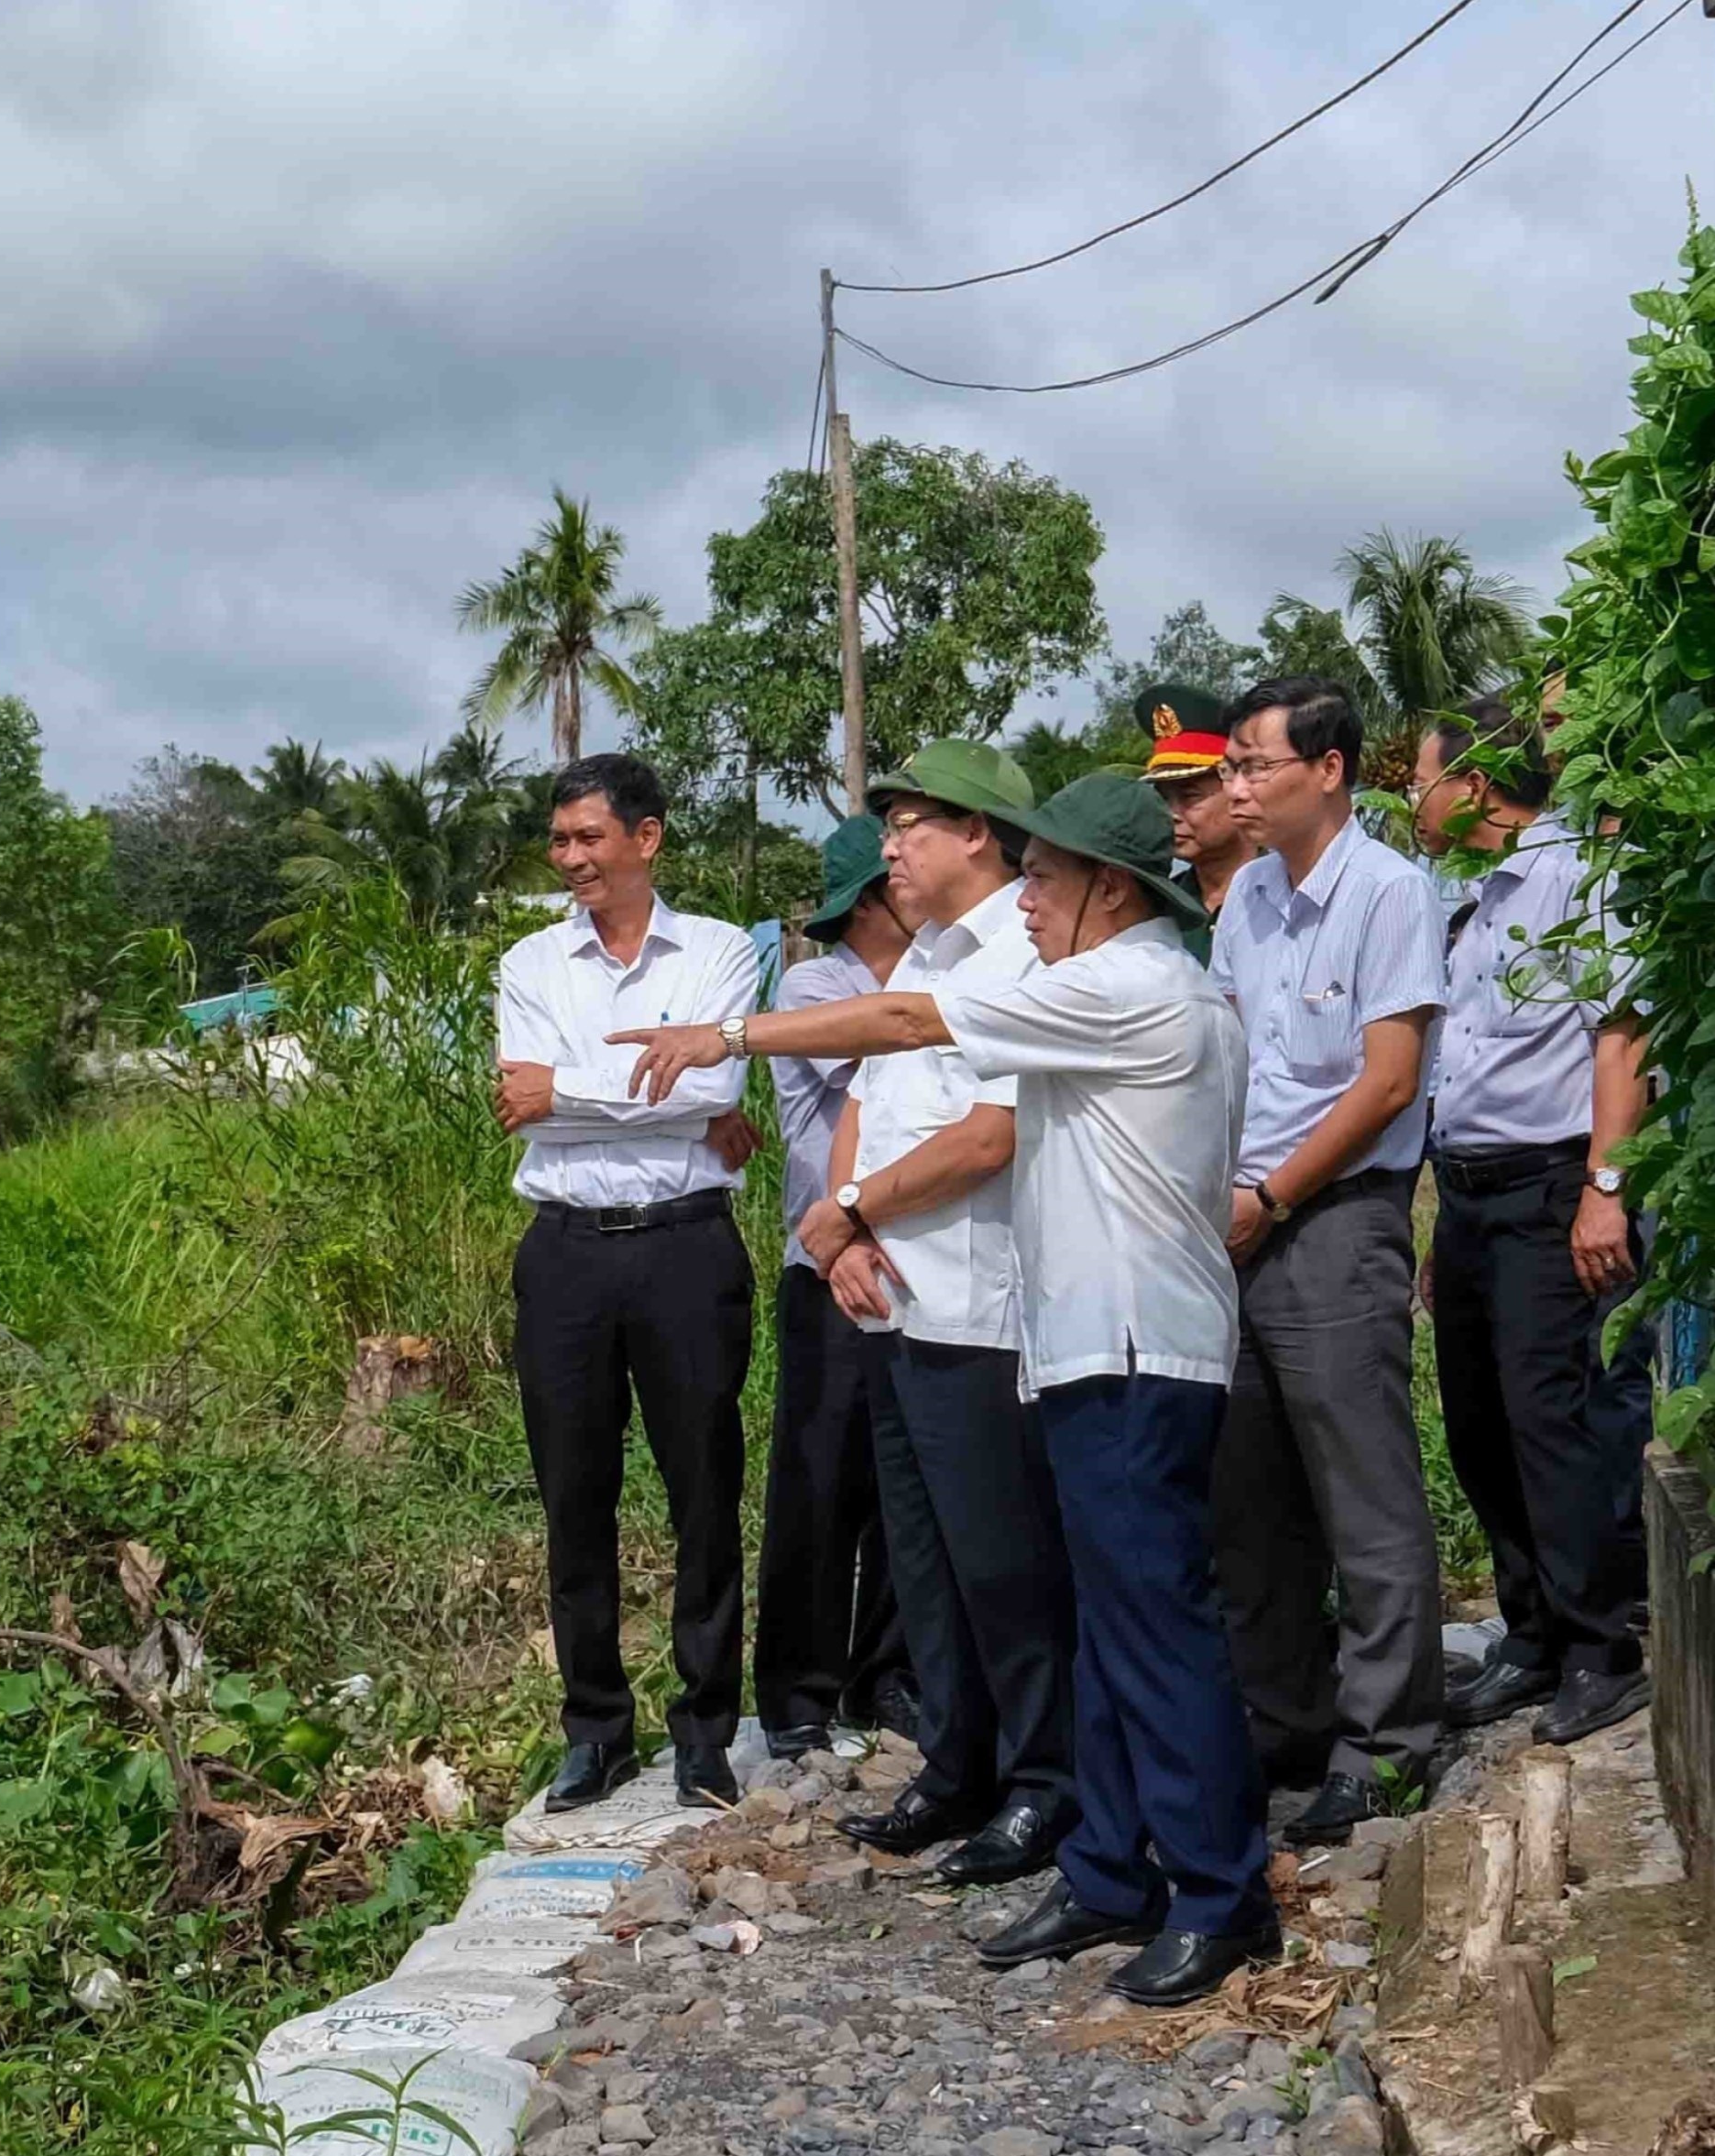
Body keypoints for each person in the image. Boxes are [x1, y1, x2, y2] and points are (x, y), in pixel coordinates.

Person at [613, 773, 1280, 2008]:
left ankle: (1214, 1891)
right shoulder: (1108, 989)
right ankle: (1111, 1867)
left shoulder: (1131, 987)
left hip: (1136, 1351)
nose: (1024, 901)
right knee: (1105, 1628)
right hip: (1087, 1347)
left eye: (1044, 878)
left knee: (1152, 1627)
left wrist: (727, 1036)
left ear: (1108, 889)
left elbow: (913, 1023)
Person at [798, 741, 1076, 1888]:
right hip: (893, 1304)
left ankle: (1043, 1784)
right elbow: (866, 1095)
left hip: (982, 1302)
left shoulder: (1028, 947)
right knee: (925, 1561)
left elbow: (989, 1135)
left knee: (1005, 1562)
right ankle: (955, 1764)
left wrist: (851, 1207)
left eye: (909, 822)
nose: (890, 846)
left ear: (977, 831)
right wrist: (848, 1232)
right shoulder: (919, 953)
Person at [495, 754, 765, 1811]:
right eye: (558, 842)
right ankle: (594, 1728)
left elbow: (715, 1081)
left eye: (587, 839)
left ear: (644, 839)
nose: (569, 860)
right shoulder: (531, 962)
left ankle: (704, 1731)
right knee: (573, 1494)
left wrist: (571, 1087)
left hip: (682, 1244)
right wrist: (654, 1095)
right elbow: (523, 1099)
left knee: (702, 1484)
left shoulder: (716, 953)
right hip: (562, 1247)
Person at [1210, 673, 1448, 1844]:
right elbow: (1224, 1056)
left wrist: (1273, 1193)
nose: (1234, 786)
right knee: (1246, 1494)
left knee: (1362, 1492)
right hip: (1237, 1223)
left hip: (1333, 1214)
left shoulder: (1388, 890)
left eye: (1253, 764)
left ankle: (1386, 1743)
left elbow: (1387, 1080)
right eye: (1231, 768)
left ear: (1328, 769)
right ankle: (1284, 1717)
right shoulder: (1246, 895)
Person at [1418, 697, 1654, 1746]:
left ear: (1471, 785)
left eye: (1421, 774)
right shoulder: (1471, 906)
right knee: (1475, 1419)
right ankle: (1530, 1631)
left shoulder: (1579, 886)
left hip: (1551, 1190)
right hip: (1470, 1195)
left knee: (1546, 1420)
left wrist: (1605, 1189)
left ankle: (1599, 1647)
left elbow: (1619, 1041)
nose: (1413, 796)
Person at [754, 816, 918, 1758]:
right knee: (819, 1482)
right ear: (873, 898)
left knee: (909, 1484)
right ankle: (795, 1692)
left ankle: (886, 1674)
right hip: (827, 1265)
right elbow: (894, 1045)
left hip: (917, 1263)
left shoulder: (945, 974)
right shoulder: (815, 987)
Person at [1136, 683, 1250, 957]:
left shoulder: (1287, 896)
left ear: (1239, 790)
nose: (1172, 814)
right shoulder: (1155, 908)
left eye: (1190, 796)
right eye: (1164, 798)